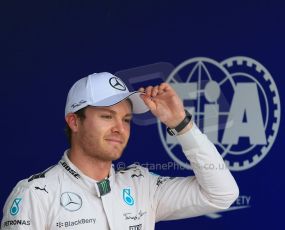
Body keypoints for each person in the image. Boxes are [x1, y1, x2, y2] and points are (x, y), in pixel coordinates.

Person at [1, 72, 239, 229]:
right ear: (74, 122)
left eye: (126, 119)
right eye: (107, 116)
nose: (119, 128)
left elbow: (222, 194)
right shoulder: (35, 194)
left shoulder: (141, 185)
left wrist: (180, 124)